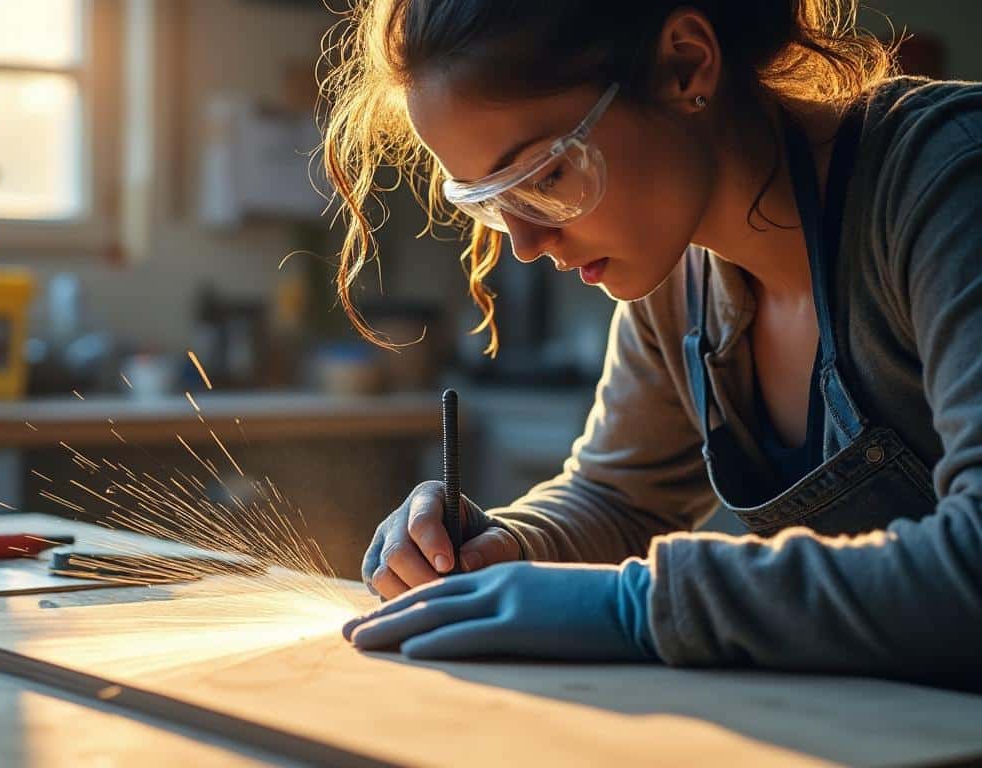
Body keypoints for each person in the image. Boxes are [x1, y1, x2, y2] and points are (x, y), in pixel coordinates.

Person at [322, 0, 982, 688]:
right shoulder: (681, 274)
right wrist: (503, 547)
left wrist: (635, 605)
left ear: (685, 65)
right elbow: (621, 499)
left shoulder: (948, 181)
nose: (524, 244)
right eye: (490, 200)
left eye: (545, 176)